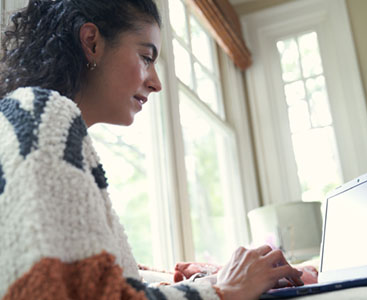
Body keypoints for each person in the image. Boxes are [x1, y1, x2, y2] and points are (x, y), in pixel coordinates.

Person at [0, 0, 304, 299]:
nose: (157, 83)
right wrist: (222, 289)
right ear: (91, 42)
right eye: (147, 57)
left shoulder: (58, 140)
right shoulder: (37, 113)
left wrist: (211, 280)